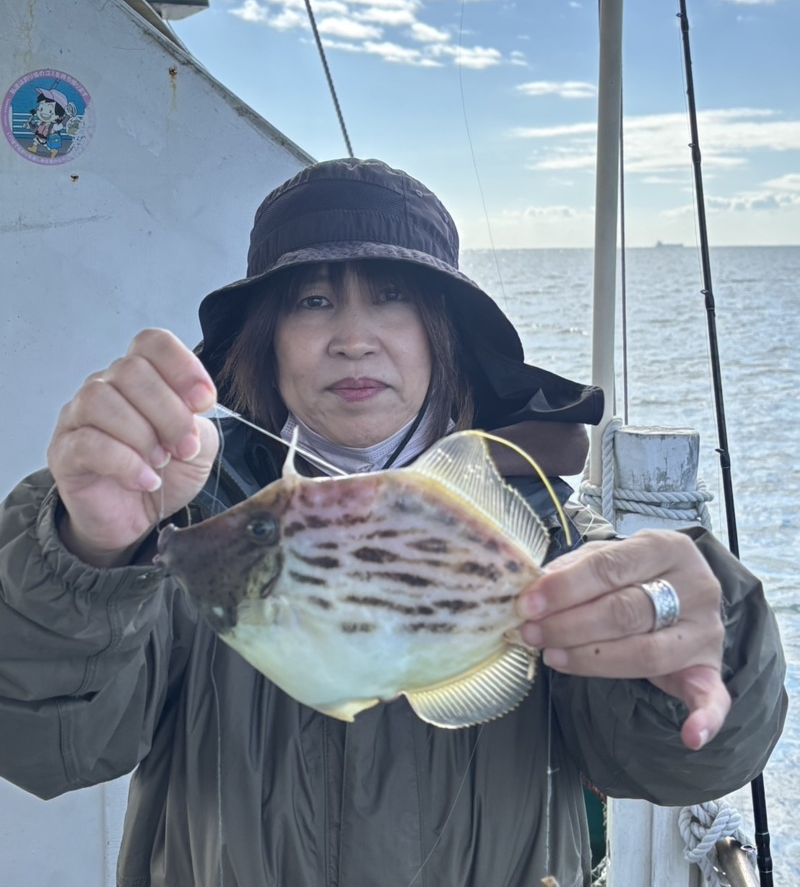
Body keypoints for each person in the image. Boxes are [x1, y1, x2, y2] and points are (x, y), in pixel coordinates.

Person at [0, 158, 786, 887]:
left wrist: (712, 636)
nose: (352, 338)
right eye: (312, 301)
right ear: (268, 340)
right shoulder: (179, 531)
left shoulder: (554, 540)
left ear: (442, 335)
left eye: (392, 296)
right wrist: (90, 553)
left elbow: (669, 763)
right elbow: (45, 746)